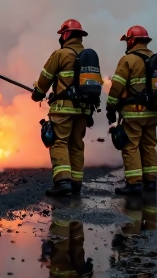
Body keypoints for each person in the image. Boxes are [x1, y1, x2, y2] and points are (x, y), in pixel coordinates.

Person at [32, 19, 91, 197]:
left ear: (65, 35)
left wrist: (38, 93)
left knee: (59, 142)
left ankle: (62, 181)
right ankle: (76, 183)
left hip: (64, 109)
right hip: (83, 109)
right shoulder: (89, 56)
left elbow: (45, 78)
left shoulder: (61, 54)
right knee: (76, 145)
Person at [105, 25, 157, 195]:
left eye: (128, 40)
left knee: (130, 146)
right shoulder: (154, 58)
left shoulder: (128, 60)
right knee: (149, 146)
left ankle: (134, 183)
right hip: (152, 112)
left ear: (132, 41)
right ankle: (150, 182)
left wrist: (111, 106)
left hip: (133, 112)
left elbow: (117, 86)